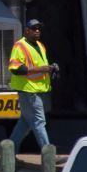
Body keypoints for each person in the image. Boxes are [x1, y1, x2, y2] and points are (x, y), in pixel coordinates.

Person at [7, 18, 58, 155]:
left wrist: (50, 69)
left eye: (38, 29)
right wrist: (42, 69)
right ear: (26, 31)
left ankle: (9, 150)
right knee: (39, 122)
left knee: (24, 123)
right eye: (34, 29)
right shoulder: (20, 46)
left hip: (37, 90)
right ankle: (48, 154)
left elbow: (41, 67)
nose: (37, 31)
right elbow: (15, 68)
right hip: (29, 90)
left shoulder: (40, 46)